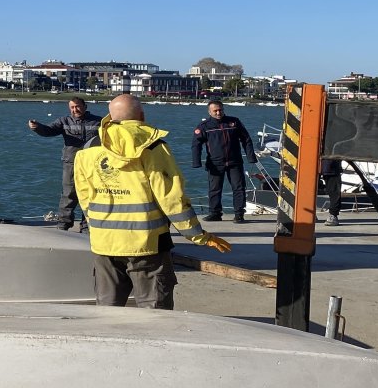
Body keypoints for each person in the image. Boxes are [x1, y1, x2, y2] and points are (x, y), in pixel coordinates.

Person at [74, 94, 231, 309]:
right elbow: (172, 199)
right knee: (155, 313)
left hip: (104, 243)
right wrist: (198, 236)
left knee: (107, 311)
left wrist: (98, 225)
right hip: (147, 245)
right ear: (142, 116)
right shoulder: (152, 147)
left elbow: (84, 196)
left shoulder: (88, 149)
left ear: (110, 116)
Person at [27, 97, 101, 231]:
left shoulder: (98, 121)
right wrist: (37, 127)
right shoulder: (64, 121)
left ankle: (87, 226)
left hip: (93, 164)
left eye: (77, 106)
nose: (75, 110)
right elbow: (48, 130)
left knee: (92, 194)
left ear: (85, 106)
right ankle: (63, 225)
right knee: (68, 195)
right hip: (71, 163)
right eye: (72, 107)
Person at [191, 100, 257, 223]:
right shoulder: (204, 126)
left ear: (223, 109)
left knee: (238, 188)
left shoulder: (234, 122)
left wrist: (251, 157)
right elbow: (196, 144)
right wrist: (196, 162)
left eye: (220, 110)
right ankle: (215, 213)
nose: (218, 112)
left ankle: (239, 214)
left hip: (235, 162)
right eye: (215, 110)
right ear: (209, 112)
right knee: (215, 189)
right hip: (215, 163)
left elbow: (246, 139)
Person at [320, 159, 344, 226]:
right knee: (334, 192)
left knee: (334, 192)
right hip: (328, 167)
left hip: (331, 167)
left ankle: (333, 215)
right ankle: (333, 215)